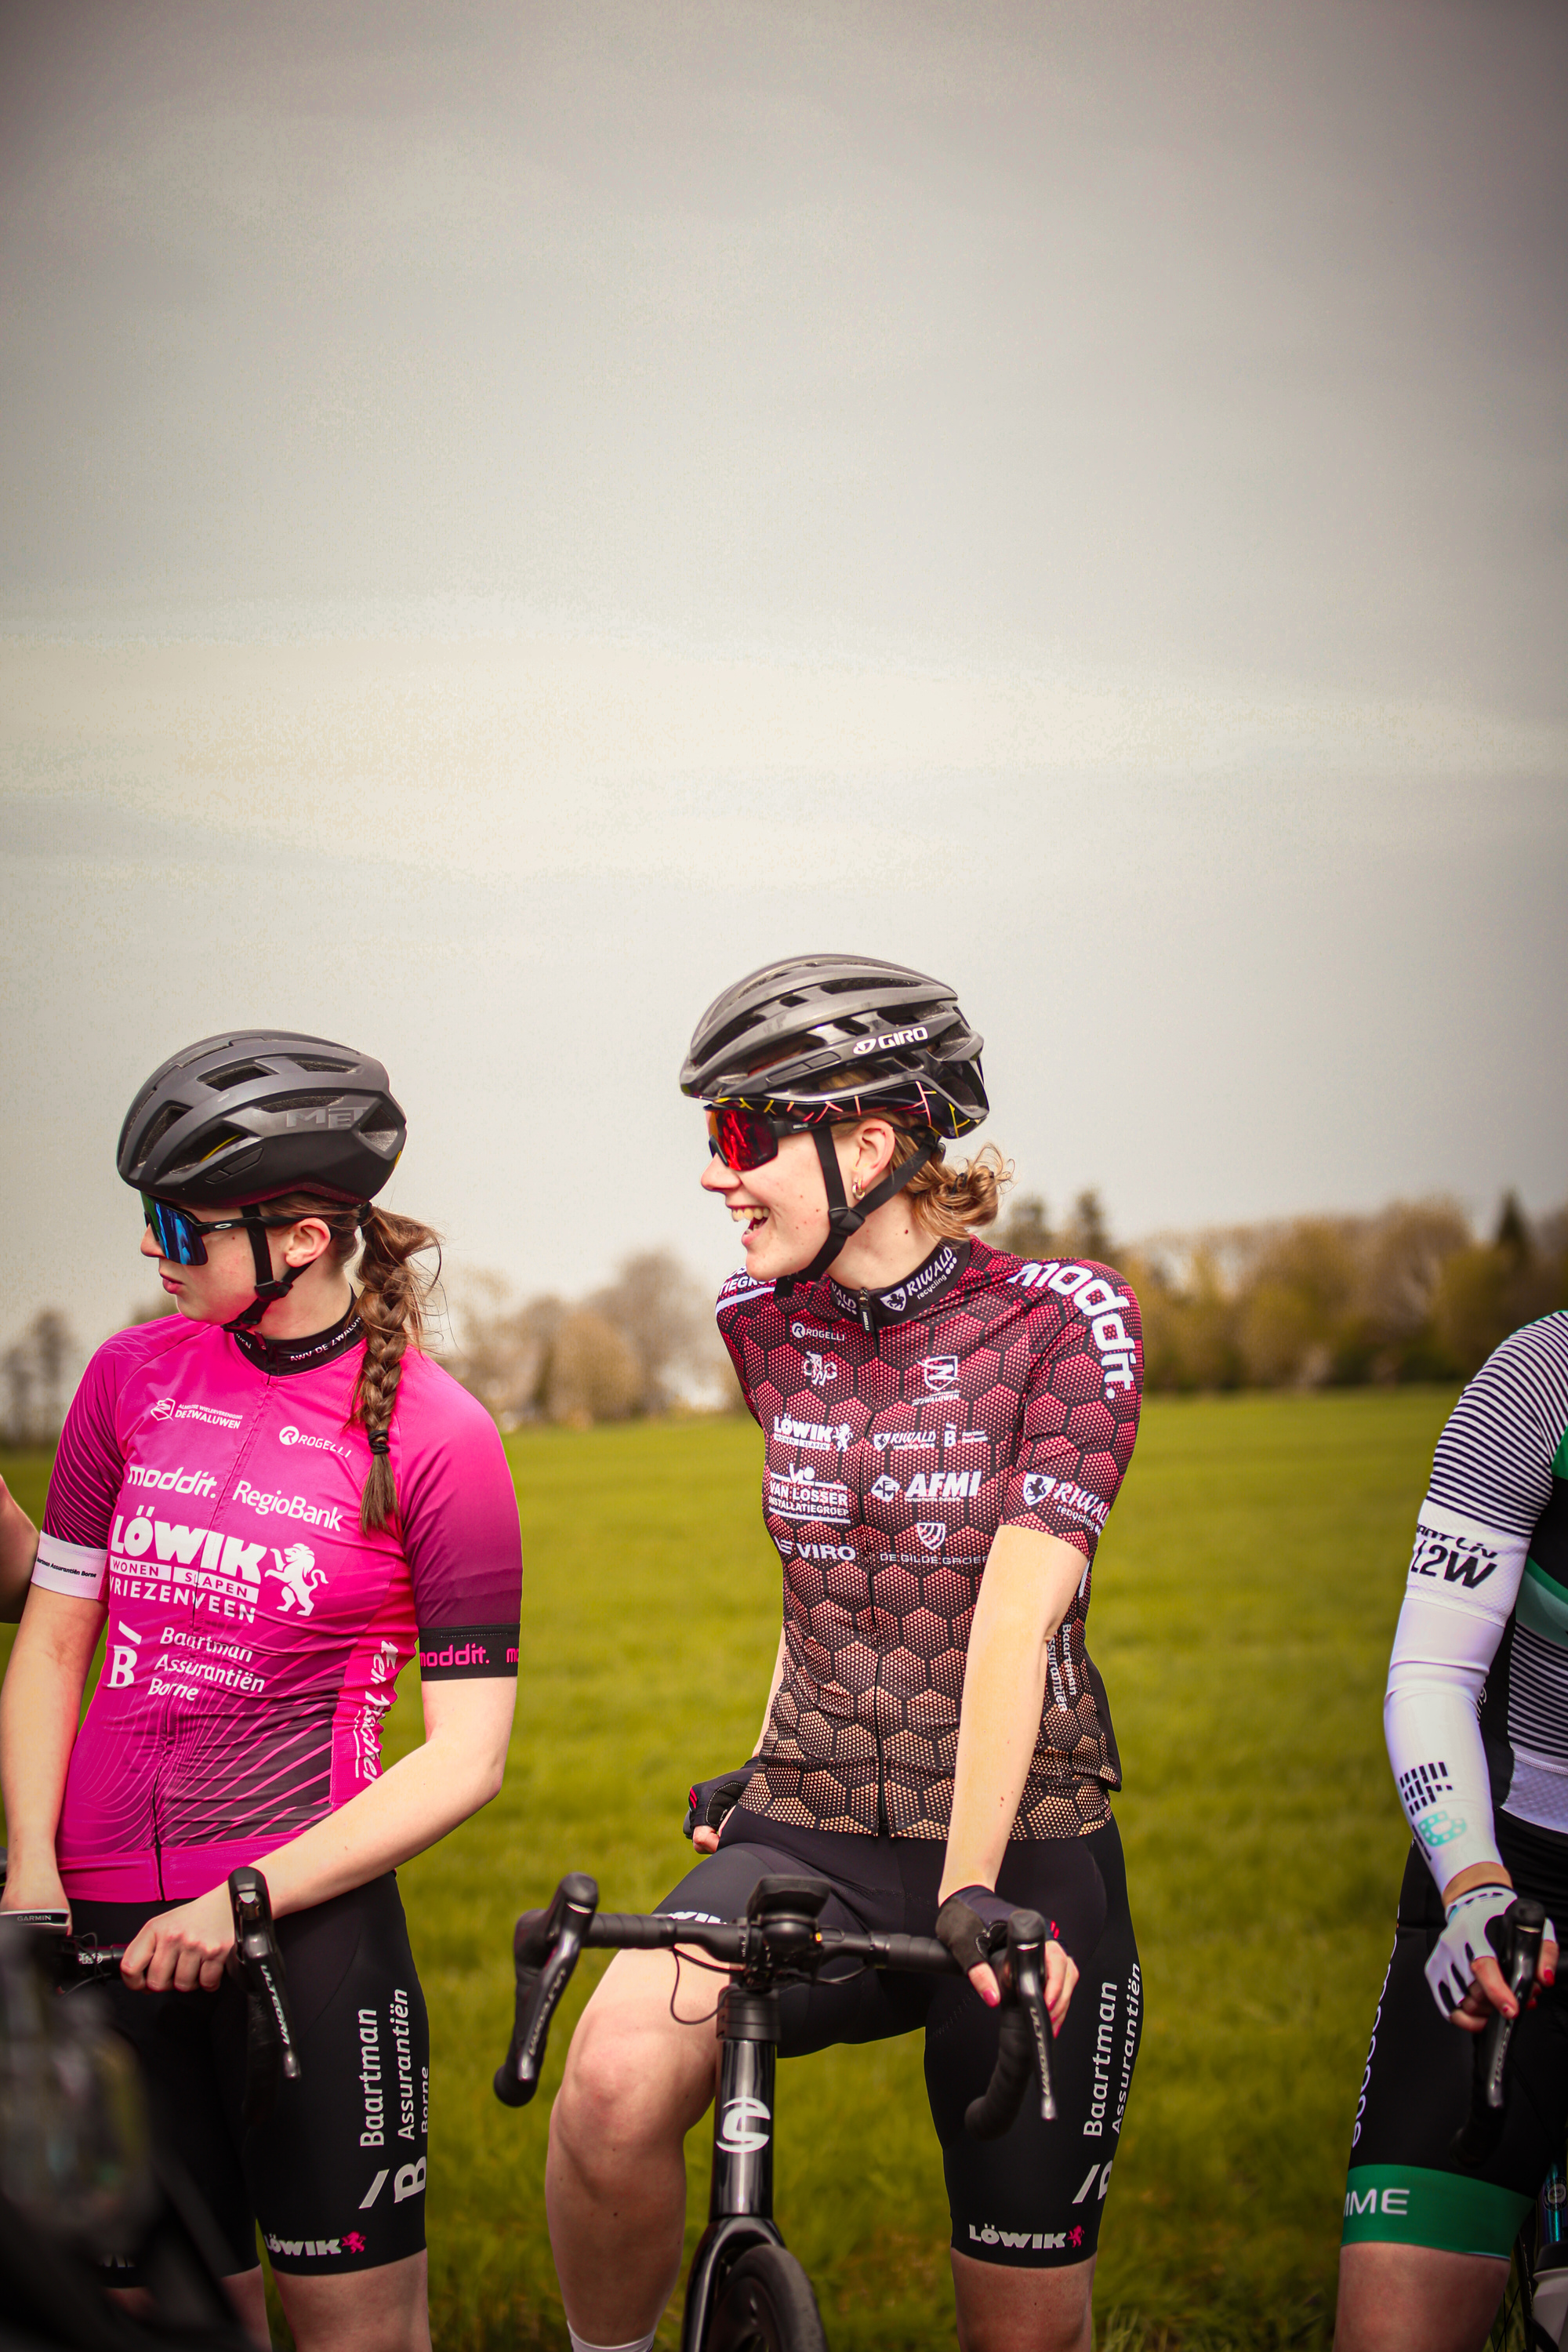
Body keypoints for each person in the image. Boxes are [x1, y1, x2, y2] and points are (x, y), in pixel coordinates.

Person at [545, 954, 1145, 2352]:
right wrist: (771, 1752)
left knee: (1022, 2326)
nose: (716, 1176)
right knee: (612, 2082)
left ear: (871, 1142)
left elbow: (1013, 1613)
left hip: (1019, 1859)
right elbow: (822, 1572)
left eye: (744, 1135)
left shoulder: (1062, 1322)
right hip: (815, 1826)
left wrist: (975, 1880)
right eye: (712, 1140)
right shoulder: (762, 1322)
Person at [0, 1031, 524, 2352]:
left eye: (174, 1220)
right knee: (137, 2321)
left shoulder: (441, 1439)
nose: (147, 1247)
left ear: (295, 1238)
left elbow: (466, 1758)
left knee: (358, 2333)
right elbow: (57, 1636)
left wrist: (247, 1903)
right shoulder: (126, 1381)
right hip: (95, 1932)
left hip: (303, 1939)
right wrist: (27, 1872)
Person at [1335, 1308, 1568, 2352]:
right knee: (1394, 2322)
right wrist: (1472, 1881)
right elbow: (1435, 1670)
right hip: (1513, 1870)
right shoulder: (1542, 1380)